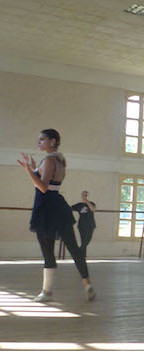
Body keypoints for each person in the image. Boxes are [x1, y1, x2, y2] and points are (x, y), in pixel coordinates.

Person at [18, 129, 95, 302]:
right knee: (74, 248)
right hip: (59, 207)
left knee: (48, 251)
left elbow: (43, 187)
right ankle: (87, 283)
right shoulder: (60, 159)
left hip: (46, 208)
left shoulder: (49, 160)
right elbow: (51, 182)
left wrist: (28, 170)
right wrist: (34, 168)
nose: (39, 142)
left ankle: (47, 292)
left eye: (42, 140)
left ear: (52, 141)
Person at [71, 191, 96, 257]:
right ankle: (82, 255)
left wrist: (87, 201)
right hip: (81, 225)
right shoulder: (79, 205)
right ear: (81, 196)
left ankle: (78, 252)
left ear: (88, 196)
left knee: (88, 239)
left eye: (86, 195)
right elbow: (70, 208)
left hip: (91, 224)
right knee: (83, 240)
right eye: (83, 195)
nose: (85, 196)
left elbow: (93, 209)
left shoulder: (91, 203)